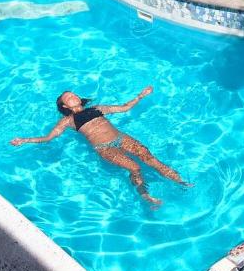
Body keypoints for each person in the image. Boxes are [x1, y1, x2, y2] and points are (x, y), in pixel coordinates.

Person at [10, 86, 190, 207]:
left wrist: (141, 96)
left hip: (122, 138)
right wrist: (25, 140)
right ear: (64, 106)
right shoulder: (68, 121)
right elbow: (48, 138)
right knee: (135, 168)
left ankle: (182, 182)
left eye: (73, 94)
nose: (73, 96)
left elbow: (124, 108)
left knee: (151, 159)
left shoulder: (98, 108)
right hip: (105, 148)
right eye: (68, 97)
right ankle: (146, 196)